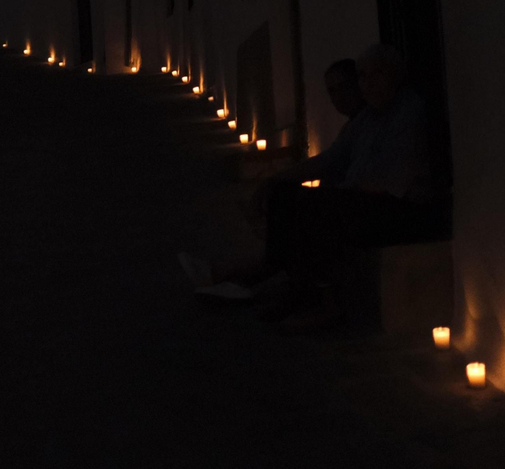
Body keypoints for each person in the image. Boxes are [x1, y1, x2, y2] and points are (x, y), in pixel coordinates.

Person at [182, 45, 439, 329]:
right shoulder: (366, 119)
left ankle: (321, 304)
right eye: (363, 76)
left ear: (394, 75)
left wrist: (338, 191)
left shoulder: (408, 110)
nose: (368, 83)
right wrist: (275, 180)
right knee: (286, 196)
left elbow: (392, 181)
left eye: (377, 74)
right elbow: (328, 160)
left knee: (316, 208)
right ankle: (290, 290)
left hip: (399, 207)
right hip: (361, 198)